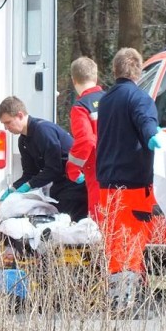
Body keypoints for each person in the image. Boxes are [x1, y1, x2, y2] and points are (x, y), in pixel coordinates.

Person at [96, 47, 165, 312]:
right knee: (132, 241)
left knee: (114, 240)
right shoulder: (139, 98)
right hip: (133, 184)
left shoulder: (107, 100)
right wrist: (152, 136)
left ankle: (118, 297)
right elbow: (146, 121)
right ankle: (126, 301)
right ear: (137, 71)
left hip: (108, 184)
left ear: (115, 71)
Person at [0, 96, 87, 221]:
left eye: (8, 122)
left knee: (68, 221)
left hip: (75, 182)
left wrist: (28, 185)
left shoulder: (43, 131)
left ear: (20, 115)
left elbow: (54, 168)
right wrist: (14, 188)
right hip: (60, 184)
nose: (6, 128)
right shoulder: (23, 140)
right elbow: (30, 173)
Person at [65, 57, 105, 223]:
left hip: (96, 169)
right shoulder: (111, 98)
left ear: (74, 81)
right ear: (95, 77)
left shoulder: (81, 107)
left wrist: (73, 167)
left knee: (100, 219)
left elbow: (86, 140)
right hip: (121, 168)